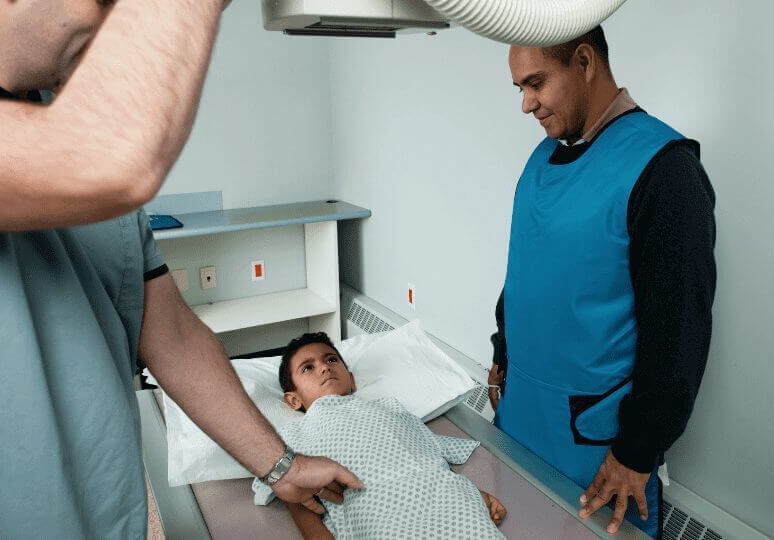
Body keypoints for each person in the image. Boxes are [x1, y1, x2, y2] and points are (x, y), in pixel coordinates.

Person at [0, 1, 360, 537]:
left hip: (103, 511)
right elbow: (110, 161)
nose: (116, 25)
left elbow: (173, 337)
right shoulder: (81, 147)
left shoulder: (57, 115)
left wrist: (282, 466)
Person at [487, 25, 717, 538]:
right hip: (522, 418)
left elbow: (679, 331)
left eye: (536, 83)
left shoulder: (664, 171)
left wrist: (637, 450)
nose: (527, 104)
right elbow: (527, 266)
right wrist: (503, 347)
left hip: (596, 447)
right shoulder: (541, 158)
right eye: (520, 88)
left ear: (585, 63)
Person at [263, 332, 508, 539]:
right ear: (293, 400)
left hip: (442, 496)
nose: (324, 367)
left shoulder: (390, 407)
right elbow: (296, 496)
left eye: (331, 359)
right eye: (308, 367)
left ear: (352, 380)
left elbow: (427, 452)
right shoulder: (293, 434)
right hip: (377, 512)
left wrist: (472, 495)